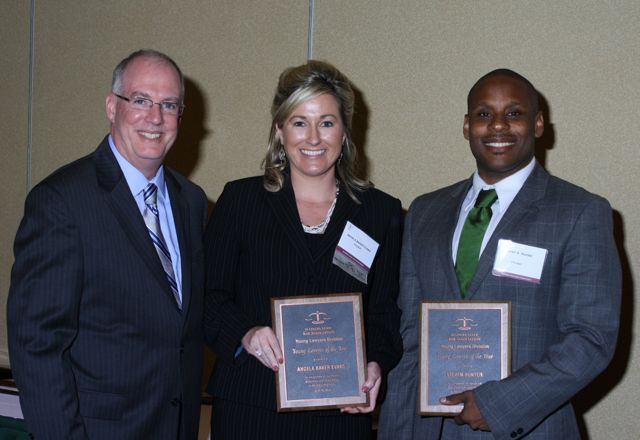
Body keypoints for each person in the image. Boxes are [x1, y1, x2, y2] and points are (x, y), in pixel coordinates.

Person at [378, 69, 621, 439]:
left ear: (538, 124)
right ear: (466, 126)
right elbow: (412, 339)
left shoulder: (579, 212)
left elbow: (591, 339)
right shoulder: (424, 213)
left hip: (527, 429)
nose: (497, 126)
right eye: (483, 114)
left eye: (514, 113)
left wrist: (498, 404)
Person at [7, 49, 208, 439]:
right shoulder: (62, 201)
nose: (156, 117)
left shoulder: (192, 201)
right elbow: (37, 347)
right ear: (111, 107)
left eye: (169, 105)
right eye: (141, 101)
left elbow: (184, 328)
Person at [203, 60, 403, 439]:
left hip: (341, 412)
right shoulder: (241, 200)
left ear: (344, 132)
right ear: (280, 130)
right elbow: (207, 296)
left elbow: (384, 312)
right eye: (299, 122)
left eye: (327, 122)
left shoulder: (380, 212)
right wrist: (244, 333)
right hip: (250, 407)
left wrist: (375, 363)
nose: (313, 138)